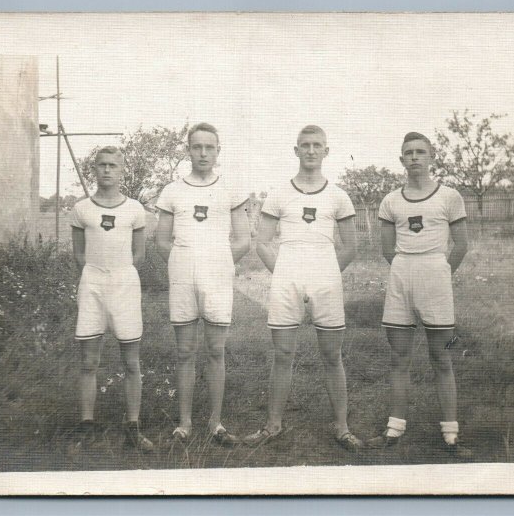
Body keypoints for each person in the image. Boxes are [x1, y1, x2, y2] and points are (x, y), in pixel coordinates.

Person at [243, 125, 363, 452]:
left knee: (332, 354)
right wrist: (284, 271)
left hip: (325, 277)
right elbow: (263, 242)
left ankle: (341, 426)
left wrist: (324, 273)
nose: (311, 151)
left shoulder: (339, 196)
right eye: (305, 145)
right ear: (295, 150)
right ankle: (273, 425)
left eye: (317, 145)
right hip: (288, 277)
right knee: (282, 353)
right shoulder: (279, 194)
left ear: (327, 150)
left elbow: (351, 246)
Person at [367, 132, 470, 454]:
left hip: (435, 280)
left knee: (441, 358)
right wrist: (408, 271)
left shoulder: (450, 196)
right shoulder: (390, 200)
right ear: (401, 160)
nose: (414, 157)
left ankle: (451, 435)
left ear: (431, 157)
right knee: (399, 358)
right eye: (408, 153)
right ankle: (394, 429)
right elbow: (387, 249)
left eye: (420, 152)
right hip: (401, 278)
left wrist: (439, 273)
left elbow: (462, 245)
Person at [155, 123, 250, 446]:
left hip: (218, 277)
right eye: (197, 147)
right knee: (184, 351)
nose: (203, 153)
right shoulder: (172, 191)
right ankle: (184, 423)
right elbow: (162, 240)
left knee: (215, 349)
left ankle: (215, 423)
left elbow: (242, 240)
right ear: (188, 150)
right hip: (182, 276)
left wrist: (216, 265)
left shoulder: (231, 190)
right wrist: (187, 263)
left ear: (218, 150)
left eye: (210, 147)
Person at [70, 146, 153, 452]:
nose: (106, 170)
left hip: (124, 283)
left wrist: (118, 273)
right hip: (92, 282)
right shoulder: (81, 209)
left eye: (112, 166)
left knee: (131, 361)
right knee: (89, 361)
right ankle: (87, 426)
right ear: (95, 170)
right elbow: (79, 253)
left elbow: (139, 253)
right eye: (101, 165)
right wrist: (96, 274)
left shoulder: (134, 209)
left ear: (121, 170)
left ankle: (133, 427)